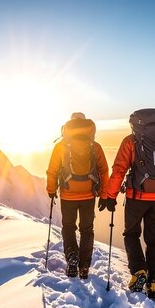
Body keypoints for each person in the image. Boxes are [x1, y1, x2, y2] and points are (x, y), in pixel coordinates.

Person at [98, 108, 155, 300]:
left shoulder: (130, 141)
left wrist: (110, 196)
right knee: (154, 239)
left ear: (135, 124)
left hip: (136, 198)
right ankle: (154, 280)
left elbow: (119, 169)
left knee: (131, 234)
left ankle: (138, 271)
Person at [47, 112, 110, 279]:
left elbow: (53, 170)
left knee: (68, 227)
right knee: (87, 230)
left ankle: (72, 257)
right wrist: (104, 195)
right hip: (89, 194)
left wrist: (51, 190)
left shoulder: (61, 146)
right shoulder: (94, 146)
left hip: (68, 194)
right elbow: (104, 171)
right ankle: (84, 266)